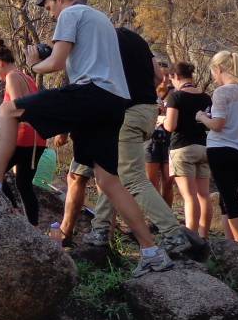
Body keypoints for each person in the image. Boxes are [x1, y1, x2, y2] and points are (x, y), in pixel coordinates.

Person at [0, 0, 173, 277]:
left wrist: (33, 63)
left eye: (49, 6)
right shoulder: (100, 19)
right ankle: (152, 250)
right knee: (108, 181)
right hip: (114, 102)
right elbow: (84, 58)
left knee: (9, 109)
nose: (50, 13)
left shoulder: (71, 14)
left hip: (91, 93)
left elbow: (57, 62)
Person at [82, 28, 192, 257]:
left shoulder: (99, 38)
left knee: (133, 178)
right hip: (147, 111)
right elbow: (159, 77)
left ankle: (173, 233)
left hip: (128, 113)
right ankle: (101, 228)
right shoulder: (135, 38)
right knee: (113, 173)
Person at [196, 51, 238, 244]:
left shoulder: (222, 93)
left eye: (213, 72)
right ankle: (230, 243)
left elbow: (217, 124)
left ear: (218, 69)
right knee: (227, 196)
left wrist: (202, 117)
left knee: (229, 197)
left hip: (221, 148)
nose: (214, 77)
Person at [0, 38, 48, 225]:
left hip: (23, 139)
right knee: (23, 184)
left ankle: (12, 213)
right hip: (37, 140)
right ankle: (32, 226)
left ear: (1, 63)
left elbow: (18, 109)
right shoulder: (26, 76)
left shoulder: (12, 78)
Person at [164, 62, 213, 238]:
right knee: (204, 195)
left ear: (176, 77)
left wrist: (161, 120)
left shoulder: (175, 97)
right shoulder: (206, 97)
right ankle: (204, 235)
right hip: (203, 147)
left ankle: (191, 237)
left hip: (182, 148)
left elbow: (171, 126)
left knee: (190, 197)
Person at [146, 75, 175, 206]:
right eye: (160, 75)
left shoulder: (175, 94)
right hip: (150, 140)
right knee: (151, 182)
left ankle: (167, 215)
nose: (164, 79)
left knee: (168, 182)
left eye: (167, 76)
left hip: (170, 140)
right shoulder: (146, 92)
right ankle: (155, 218)